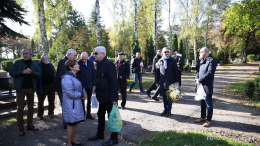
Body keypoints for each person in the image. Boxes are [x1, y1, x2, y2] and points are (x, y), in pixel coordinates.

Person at [88, 46, 119, 146]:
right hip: (102, 97)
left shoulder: (109, 64)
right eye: (94, 53)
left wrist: (114, 98)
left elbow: (114, 82)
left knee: (112, 118)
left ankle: (114, 138)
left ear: (103, 54)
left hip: (109, 98)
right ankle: (100, 134)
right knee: (100, 116)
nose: (94, 55)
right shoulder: (99, 64)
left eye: (96, 53)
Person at [9, 49, 41, 136]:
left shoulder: (34, 64)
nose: (24, 55)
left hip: (31, 89)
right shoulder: (18, 63)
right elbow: (11, 72)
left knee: (31, 107)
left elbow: (39, 74)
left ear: (31, 55)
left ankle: (29, 125)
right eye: (23, 53)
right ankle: (21, 127)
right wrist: (22, 72)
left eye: (26, 54)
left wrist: (32, 72)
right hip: (20, 89)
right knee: (20, 108)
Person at [61, 59, 87, 146]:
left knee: (75, 122)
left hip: (75, 104)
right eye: (76, 64)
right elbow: (70, 93)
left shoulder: (74, 76)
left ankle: (74, 140)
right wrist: (82, 94)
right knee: (71, 123)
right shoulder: (67, 78)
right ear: (70, 67)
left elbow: (78, 87)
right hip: (70, 104)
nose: (78, 65)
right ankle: (69, 143)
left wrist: (83, 93)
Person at [194, 47, 217, 127]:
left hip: (207, 85)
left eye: (200, 52)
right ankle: (203, 117)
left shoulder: (212, 60)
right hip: (200, 85)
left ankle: (208, 120)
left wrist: (200, 80)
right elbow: (198, 71)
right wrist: (196, 78)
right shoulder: (201, 61)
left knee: (208, 103)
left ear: (204, 52)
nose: (199, 54)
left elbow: (210, 73)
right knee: (202, 102)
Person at [55, 49, 77, 129]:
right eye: (74, 55)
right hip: (62, 88)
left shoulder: (69, 61)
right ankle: (66, 123)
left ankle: (69, 121)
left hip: (67, 88)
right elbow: (61, 75)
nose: (75, 57)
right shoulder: (62, 61)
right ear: (69, 54)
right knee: (65, 105)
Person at [155, 47, 179, 117]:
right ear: (162, 53)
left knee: (169, 97)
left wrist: (177, 81)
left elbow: (176, 71)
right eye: (165, 52)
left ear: (169, 53)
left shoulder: (173, 60)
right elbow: (157, 72)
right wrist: (156, 81)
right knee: (164, 97)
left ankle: (169, 110)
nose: (166, 53)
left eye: (167, 52)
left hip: (171, 81)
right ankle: (165, 109)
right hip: (162, 82)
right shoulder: (160, 61)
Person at [36, 54, 56, 120]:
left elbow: (54, 72)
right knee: (41, 101)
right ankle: (40, 114)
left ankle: (51, 113)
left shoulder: (50, 65)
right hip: (42, 86)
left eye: (48, 58)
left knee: (51, 100)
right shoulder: (39, 65)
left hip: (51, 85)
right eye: (47, 58)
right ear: (42, 59)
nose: (48, 59)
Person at [77, 52, 96, 119]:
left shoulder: (91, 63)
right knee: (82, 100)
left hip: (90, 84)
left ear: (87, 57)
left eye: (85, 59)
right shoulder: (78, 63)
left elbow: (93, 74)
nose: (84, 60)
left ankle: (88, 114)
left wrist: (94, 84)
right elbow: (77, 74)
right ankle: (82, 114)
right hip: (82, 85)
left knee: (89, 101)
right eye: (82, 59)